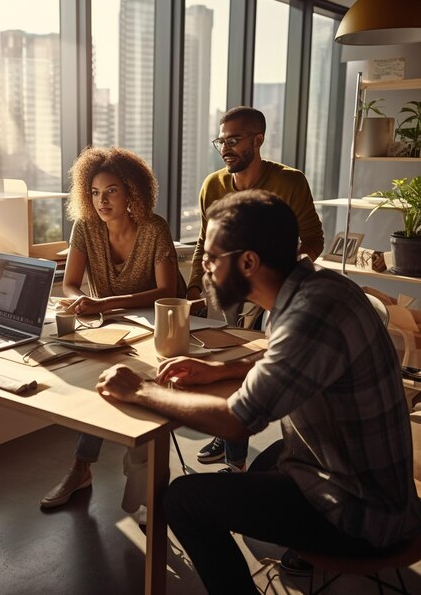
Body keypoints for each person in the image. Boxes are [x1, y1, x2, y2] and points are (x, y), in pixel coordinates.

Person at [96, 190, 421, 594]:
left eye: (213, 257)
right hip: (368, 483)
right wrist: (223, 369)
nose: (206, 268)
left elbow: (236, 423)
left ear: (248, 261)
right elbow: (296, 361)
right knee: (267, 461)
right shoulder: (314, 289)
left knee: (183, 498)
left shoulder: (309, 313)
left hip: (363, 515)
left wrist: (141, 390)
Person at [40, 146, 186, 514]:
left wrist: (103, 303)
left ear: (131, 191)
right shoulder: (85, 228)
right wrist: (79, 301)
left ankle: (143, 489)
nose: (101, 200)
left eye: (111, 191)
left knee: (140, 393)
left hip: (155, 325)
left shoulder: (154, 227)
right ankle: (81, 469)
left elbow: (166, 291)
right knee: (97, 387)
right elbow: (70, 283)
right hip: (108, 325)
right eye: (94, 192)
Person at [187, 106, 324, 471]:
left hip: (274, 288)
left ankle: (246, 457)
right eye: (221, 140)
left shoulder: (290, 182)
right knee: (232, 359)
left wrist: (280, 276)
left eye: (234, 139)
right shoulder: (212, 185)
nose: (225, 148)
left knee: (260, 363)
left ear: (257, 139)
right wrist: (193, 292)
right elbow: (204, 242)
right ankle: (232, 433)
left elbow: (313, 239)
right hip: (232, 283)